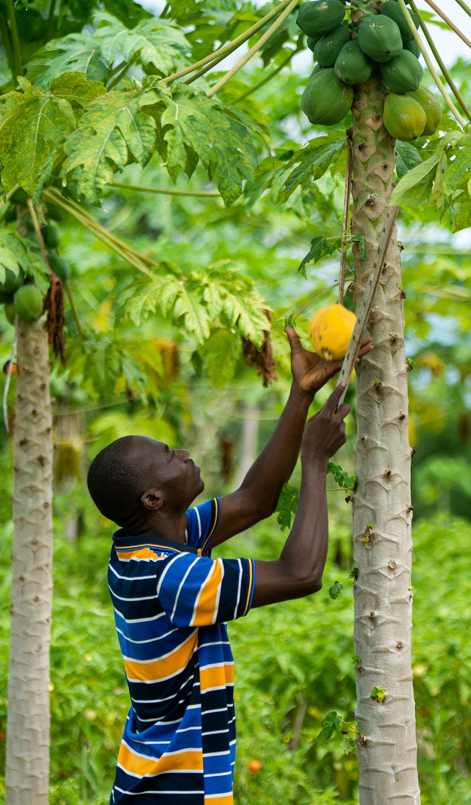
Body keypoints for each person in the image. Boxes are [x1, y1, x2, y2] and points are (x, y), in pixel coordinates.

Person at [88, 325, 370, 804]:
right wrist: (314, 460)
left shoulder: (152, 544)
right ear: (153, 499)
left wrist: (301, 394)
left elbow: (257, 498)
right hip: (173, 791)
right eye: (169, 457)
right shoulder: (172, 576)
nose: (183, 453)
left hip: (153, 782)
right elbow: (301, 574)